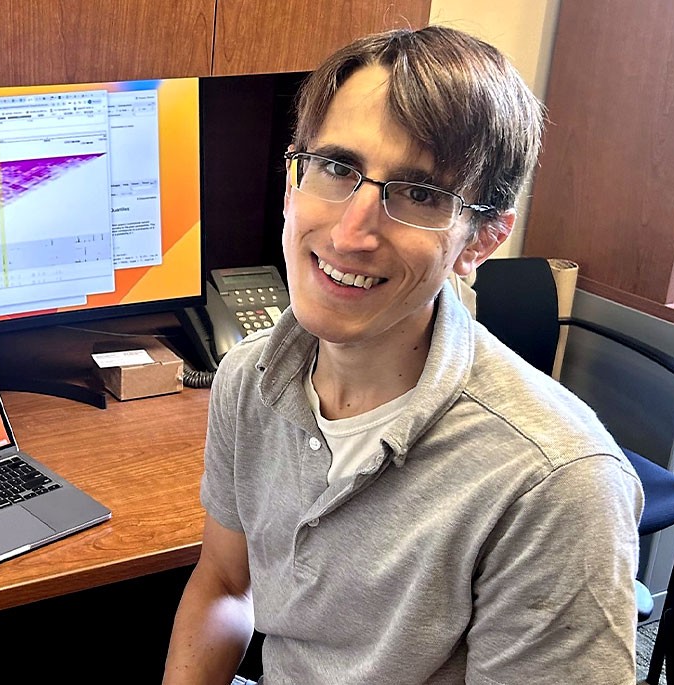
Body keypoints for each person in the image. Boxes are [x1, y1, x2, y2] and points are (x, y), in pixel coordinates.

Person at [162, 25, 643, 685]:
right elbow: (223, 582)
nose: (351, 231)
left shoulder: (555, 484)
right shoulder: (250, 379)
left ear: (481, 239)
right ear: (290, 181)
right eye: (335, 167)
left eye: (420, 194)